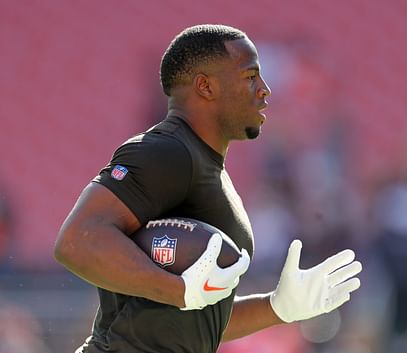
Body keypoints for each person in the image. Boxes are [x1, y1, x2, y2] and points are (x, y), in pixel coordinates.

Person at [54, 24, 362, 353]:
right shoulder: (165, 151)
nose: (264, 90)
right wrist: (176, 290)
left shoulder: (208, 171)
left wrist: (277, 308)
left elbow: (199, 320)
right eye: (249, 77)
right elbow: (76, 241)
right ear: (205, 86)